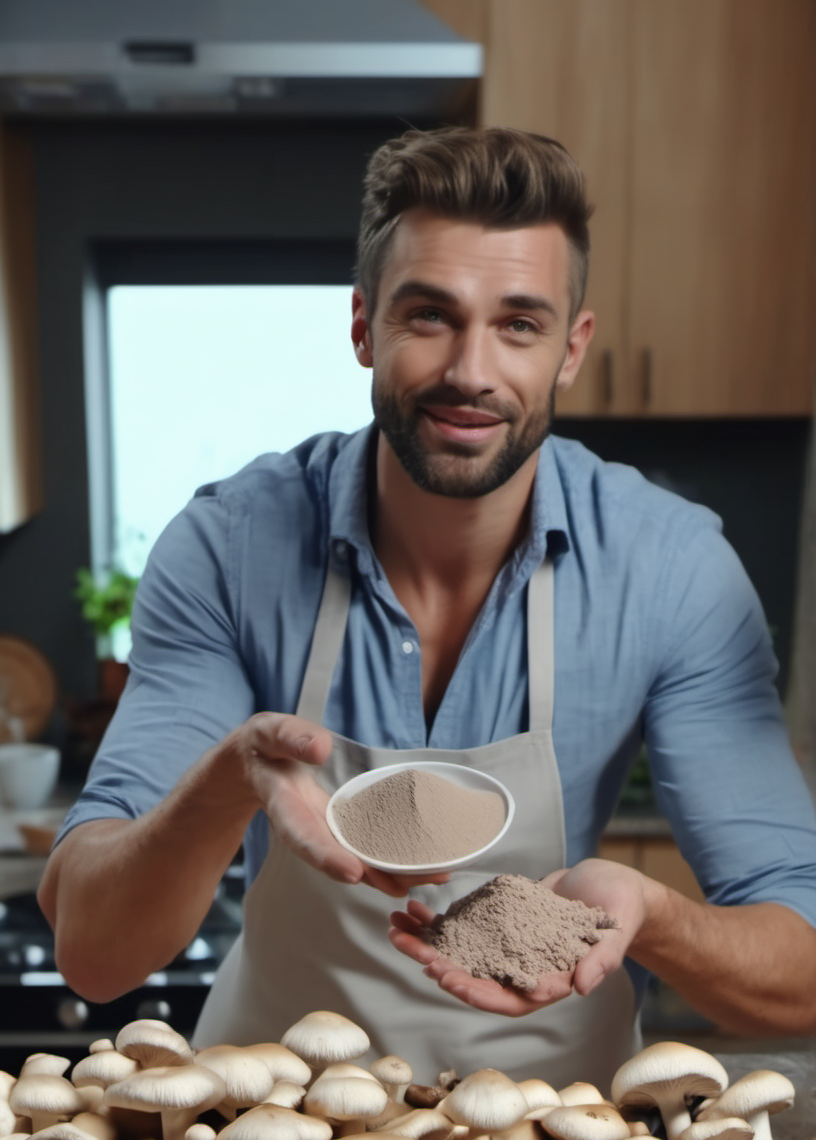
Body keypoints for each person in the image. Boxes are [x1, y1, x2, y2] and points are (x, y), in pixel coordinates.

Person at [40, 127, 816, 1090]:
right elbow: (93, 952)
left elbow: (803, 961)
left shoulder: (670, 570)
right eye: (430, 316)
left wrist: (650, 915)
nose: (471, 371)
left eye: (519, 324)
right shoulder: (227, 550)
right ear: (364, 325)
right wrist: (229, 780)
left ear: (572, 348)